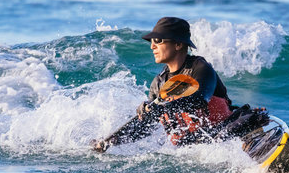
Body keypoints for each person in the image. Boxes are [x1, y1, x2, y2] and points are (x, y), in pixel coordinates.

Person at [92, 17, 236, 152]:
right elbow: (145, 127)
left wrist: (164, 107)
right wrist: (110, 142)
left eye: (158, 40)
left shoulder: (200, 68)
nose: (152, 46)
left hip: (228, 135)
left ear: (178, 44)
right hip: (193, 151)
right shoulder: (158, 83)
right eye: (151, 41)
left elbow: (200, 99)